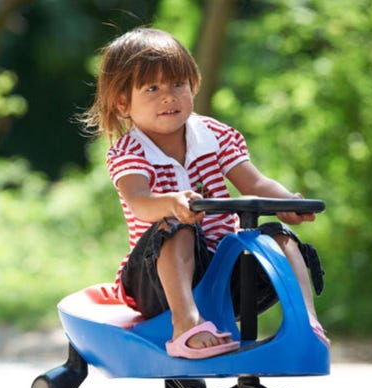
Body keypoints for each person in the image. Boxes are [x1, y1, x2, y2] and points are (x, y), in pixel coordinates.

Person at [80, 27, 330, 359]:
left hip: (222, 275)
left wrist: (287, 201)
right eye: (152, 88)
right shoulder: (130, 151)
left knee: (280, 237)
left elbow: (255, 184)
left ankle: (306, 323)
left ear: (193, 85)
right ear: (123, 103)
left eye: (177, 84)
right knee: (178, 227)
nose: (169, 97)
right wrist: (171, 203)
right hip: (156, 283)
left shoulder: (214, 136)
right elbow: (139, 201)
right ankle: (185, 324)